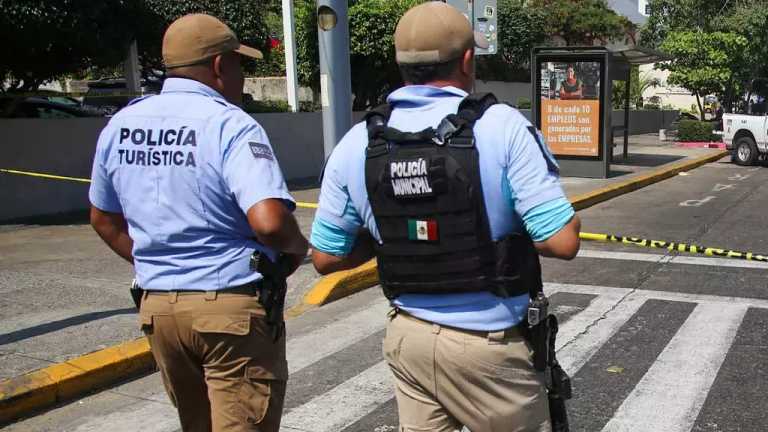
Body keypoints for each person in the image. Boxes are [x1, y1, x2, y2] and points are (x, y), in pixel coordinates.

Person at [309, 2, 581, 431]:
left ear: (399, 64)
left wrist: (394, 239)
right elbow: (561, 241)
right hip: (488, 349)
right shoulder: (503, 127)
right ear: (468, 59)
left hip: (410, 339)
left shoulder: (357, 143)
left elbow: (325, 258)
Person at [88, 13, 308, 432]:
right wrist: (297, 249)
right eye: (240, 65)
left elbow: (103, 218)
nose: (242, 76)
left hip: (159, 311)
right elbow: (268, 221)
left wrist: (158, 262)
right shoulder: (230, 124)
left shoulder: (122, 124)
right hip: (228, 309)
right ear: (220, 66)